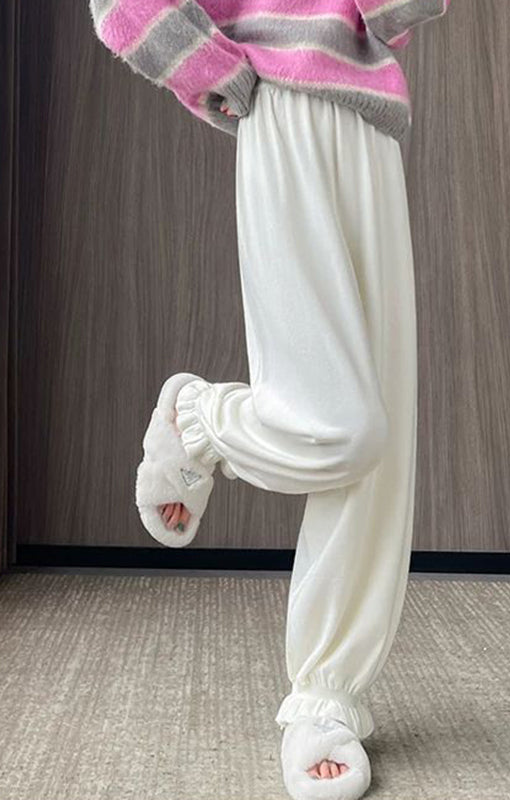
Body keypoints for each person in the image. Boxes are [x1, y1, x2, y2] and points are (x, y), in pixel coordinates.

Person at [88, 2, 452, 798]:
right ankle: (198, 421)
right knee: (343, 429)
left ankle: (327, 696)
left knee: (383, 439)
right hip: (283, 104)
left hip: (371, 119)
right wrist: (212, 69)